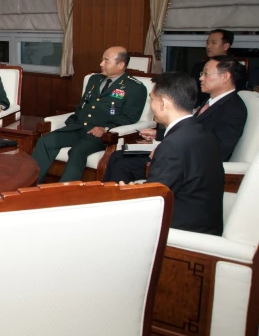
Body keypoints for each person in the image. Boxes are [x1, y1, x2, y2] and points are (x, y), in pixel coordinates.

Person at [104, 56, 247, 183]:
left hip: (190, 165)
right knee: (117, 155)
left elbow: (219, 150)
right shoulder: (211, 101)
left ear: (225, 77)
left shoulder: (234, 108)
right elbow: (190, 130)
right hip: (181, 153)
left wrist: (166, 151)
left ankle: (118, 202)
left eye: (206, 73)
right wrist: (158, 135)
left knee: (122, 164)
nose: (201, 78)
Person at [31, 46, 147, 182]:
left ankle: (64, 193)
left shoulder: (135, 87)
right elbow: (82, 106)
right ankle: (31, 184)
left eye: (106, 61)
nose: (101, 64)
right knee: (45, 141)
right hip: (79, 127)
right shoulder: (94, 80)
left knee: (77, 151)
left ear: (121, 65)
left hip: (100, 135)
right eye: (102, 60)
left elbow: (130, 117)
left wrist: (106, 128)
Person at [133, 72, 224, 235]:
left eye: (152, 99)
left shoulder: (172, 146)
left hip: (183, 228)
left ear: (163, 103)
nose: (151, 105)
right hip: (206, 220)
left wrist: (129, 193)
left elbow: (152, 201)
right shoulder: (204, 133)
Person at [191, 29, 233, 105]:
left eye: (213, 43)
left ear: (225, 46)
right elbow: (191, 90)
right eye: (207, 43)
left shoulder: (234, 68)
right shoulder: (198, 66)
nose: (208, 46)